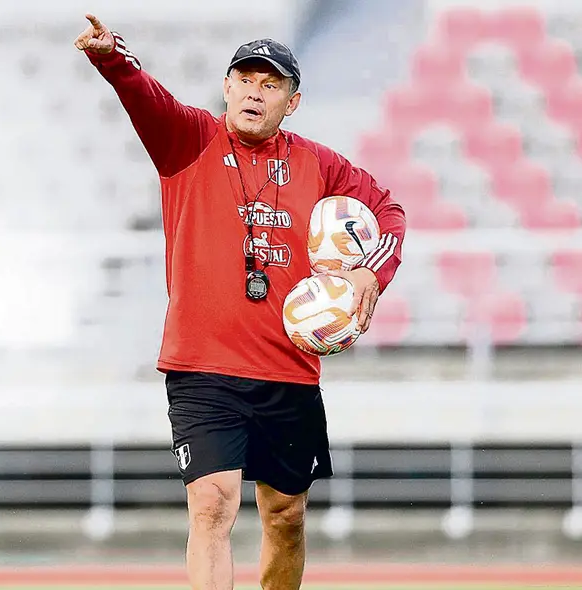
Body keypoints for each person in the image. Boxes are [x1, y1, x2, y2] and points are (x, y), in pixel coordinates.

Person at [75, 14, 406, 590]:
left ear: (292, 100)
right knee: (212, 503)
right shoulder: (190, 139)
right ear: (227, 86)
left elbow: (389, 211)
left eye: (269, 83)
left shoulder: (319, 163)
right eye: (244, 78)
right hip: (202, 365)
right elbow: (146, 98)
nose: (254, 91)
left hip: (289, 366)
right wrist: (111, 58)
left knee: (286, 517)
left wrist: (369, 275)